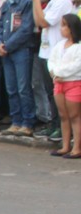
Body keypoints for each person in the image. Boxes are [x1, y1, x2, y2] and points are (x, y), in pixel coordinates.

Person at [30, 0, 73, 142]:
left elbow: (44, 21)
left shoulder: (63, 2)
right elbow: (38, 22)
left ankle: (60, 126)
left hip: (55, 52)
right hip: (45, 50)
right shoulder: (54, 2)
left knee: (56, 93)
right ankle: (53, 124)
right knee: (48, 91)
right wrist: (37, 2)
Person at [0, 0, 36, 137]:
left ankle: (28, 122)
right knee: (11, 88)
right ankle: (16, 120)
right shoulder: (6, 4)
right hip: (6, 51)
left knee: (23, 87)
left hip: (21, 50)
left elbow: (26, 29)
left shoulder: (27, 2)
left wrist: (8, 45)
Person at [48, 14, 81, 158]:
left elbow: (76, 66)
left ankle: (77, 147)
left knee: (75, 115)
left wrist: (59, 72)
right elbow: (51, 60)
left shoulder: (78, 47)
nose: (62, 29)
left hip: (73, 82)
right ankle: (65, 145)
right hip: (59, 83)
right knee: (63, 115)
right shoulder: (59, 45)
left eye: (64, 25)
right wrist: (54, 73)